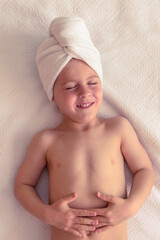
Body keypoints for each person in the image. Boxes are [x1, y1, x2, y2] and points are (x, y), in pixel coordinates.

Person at [14, 17, 155, 240]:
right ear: (53, 95)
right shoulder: (47, 140)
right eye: (71, 86)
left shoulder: (117, 128)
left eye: (93, 83)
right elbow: (22, 185)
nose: (84, 92)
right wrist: (49, 214)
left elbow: (144, 170)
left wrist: (131, 207)